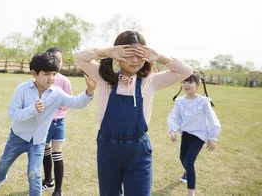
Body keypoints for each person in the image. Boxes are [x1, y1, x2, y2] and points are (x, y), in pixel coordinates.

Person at [73, 30, 193, 196]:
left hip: (138, 149)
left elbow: (186, 71)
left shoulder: (151, 80)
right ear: (118, 54)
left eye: (140, 54)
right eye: (129, 54)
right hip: (108, 148)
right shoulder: (103, 77)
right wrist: (106, 52)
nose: (135, 60)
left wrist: (158, 57)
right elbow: (78, 58)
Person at [0, 52, 96, 196]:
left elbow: (77, 103)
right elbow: (12, 114)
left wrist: (89, 91)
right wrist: (32, 109)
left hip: (38, 141)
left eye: (54, 74)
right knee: (3, 165)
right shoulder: (22, 89)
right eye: (46, 74)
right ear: (34, 73)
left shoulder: (57, 93)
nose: (51, 78)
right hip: (17, 137)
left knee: (35, 175)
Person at [167, 72, 221, 196]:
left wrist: (212, 137)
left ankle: (191, 193)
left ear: (198, 84)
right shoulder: (180, 101)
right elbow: (174, 117)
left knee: (189, 161)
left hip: (200, 136)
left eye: (189, 82)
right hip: (186, 134)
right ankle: (187, 172)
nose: (186, 85)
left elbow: (213, 119)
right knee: (182, 158)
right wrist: (172, 130)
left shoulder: (203, 102)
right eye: (184, 82)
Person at [42, 48, 72, 196]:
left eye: (59, 60)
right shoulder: (43, 78)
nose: (57, 63)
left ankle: (58, 190)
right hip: (44, 121)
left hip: (58, 121)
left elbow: (68, 102)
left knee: (57, 153)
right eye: (54, 60)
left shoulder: (64, 81)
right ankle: (48, 180)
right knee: (44, 151)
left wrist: (55, 103)